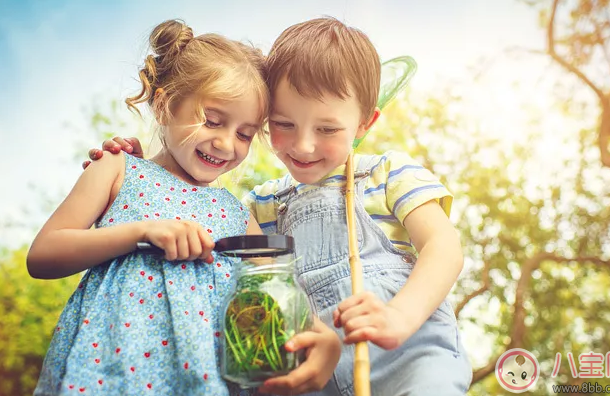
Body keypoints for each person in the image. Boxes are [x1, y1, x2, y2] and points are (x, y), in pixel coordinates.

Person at [87, 16, 473, 396]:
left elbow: (444, 249)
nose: (303, 146)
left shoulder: (387, 174)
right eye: (283, 124)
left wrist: (399, 317)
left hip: (411, 358)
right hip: (311, 375)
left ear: (363, 125)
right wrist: (139, 170)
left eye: (327, 129)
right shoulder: (261, 206)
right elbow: (202, 225)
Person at [29, 19, 339, 396]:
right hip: (114, 369)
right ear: (164, 105)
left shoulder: (236, 213)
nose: (226, 143)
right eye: (212, 121)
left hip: (209, 379)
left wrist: (326, 340)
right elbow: (43, 255)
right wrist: (139, 232)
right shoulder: (118, 168)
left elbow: (277, 283)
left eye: (244, 134)